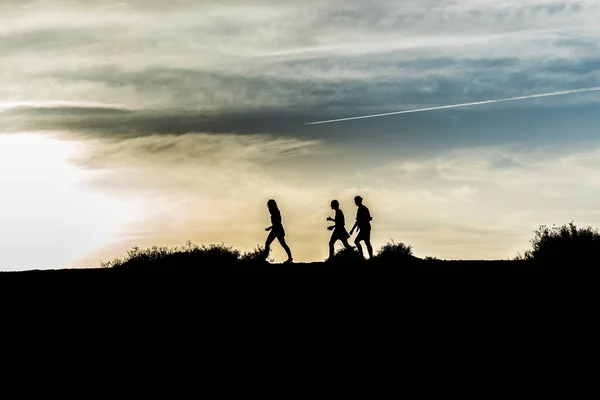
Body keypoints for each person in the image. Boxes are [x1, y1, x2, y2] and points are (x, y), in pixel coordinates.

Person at [264, 199, 293, 263]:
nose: (268, 208)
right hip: (275, 230)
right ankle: (264, 258)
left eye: (269, 206)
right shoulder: (274, 213)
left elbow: (277, 223)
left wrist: (270, 227)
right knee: (268, 243)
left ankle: (290, 258)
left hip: (278, 230)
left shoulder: (277, 212)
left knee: (283, 244)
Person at [349, 195, 373, 260]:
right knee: (366, 242)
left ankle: (364, 257)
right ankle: (368, 257)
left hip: (365, 228)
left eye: (356, 201)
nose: (355, 202)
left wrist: (352, 230)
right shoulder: (361, 208)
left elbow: (358, 220)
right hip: (364, 228)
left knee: (360, 242)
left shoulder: (362, 209)